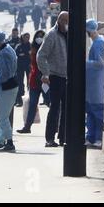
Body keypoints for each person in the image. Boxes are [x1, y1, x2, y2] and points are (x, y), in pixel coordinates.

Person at [37, 11, 69, 147]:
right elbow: (41, 55)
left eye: (67, 21)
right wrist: (46, 73)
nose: (66, 24)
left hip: (68, 76)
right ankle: (49, 138)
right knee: (55, 107)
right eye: (64, 21)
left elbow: (88, 26)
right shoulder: (52, 34)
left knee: (67, 108)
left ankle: (63, 137)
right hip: (55, 76)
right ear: (59, 20)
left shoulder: (70, 33)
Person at [17, 30, 46, 134]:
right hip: (34, 79)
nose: (39, 38)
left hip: (46, 79)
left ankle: (56, 127)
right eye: (38, 36)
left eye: (42, 36)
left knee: (51, 103)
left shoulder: (48, 48)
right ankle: (27, 126)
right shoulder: (32, 48)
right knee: (32, 104)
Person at [85, 19, 104, 148]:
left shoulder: (98, 43)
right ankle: (91, 137)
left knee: (97, 112)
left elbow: (100, 64)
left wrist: (85, 63)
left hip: (96, 84)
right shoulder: (98, 42)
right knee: (91, 112)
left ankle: (98, 138)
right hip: (92, 85)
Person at [15, 33, 31, 106]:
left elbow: (32, 55)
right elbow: (16, 56)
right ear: (22, 37)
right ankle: (20, 100)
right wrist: (25, 54)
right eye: (26, 37)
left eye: (28, 37)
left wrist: (24, 54)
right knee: (20, 83)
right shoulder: (18, 46)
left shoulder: (30, 46)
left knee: (30, 83)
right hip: (20, 67)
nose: (27, 38)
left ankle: (30, 99)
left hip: (29, 66)